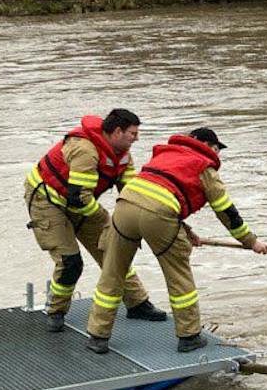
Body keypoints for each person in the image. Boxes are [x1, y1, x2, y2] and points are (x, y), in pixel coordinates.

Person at [85, 127, 267, 354]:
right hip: (159, 216)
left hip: (124, 206)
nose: (217, 153)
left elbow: (157, 191)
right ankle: (189, 336)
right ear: (205, 145)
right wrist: (251, 241)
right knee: (178, 276)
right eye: (216, 148)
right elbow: (226, 211)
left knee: (112, 273)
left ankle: (97, 335)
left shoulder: (165, 153)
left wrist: (184, 229)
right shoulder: (205, 166)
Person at [24, 109, 167, 332]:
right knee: (70, 261)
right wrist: (107, 220)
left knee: (115, 249)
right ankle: (56, 311)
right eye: (133, 133)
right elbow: (78, 197)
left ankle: (137, 303)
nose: (137, 138)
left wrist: (146, 218)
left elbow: (130, 194)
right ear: (117, 132)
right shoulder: (85, 151)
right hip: (48, 202)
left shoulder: (124, 155)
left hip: (80, 202)